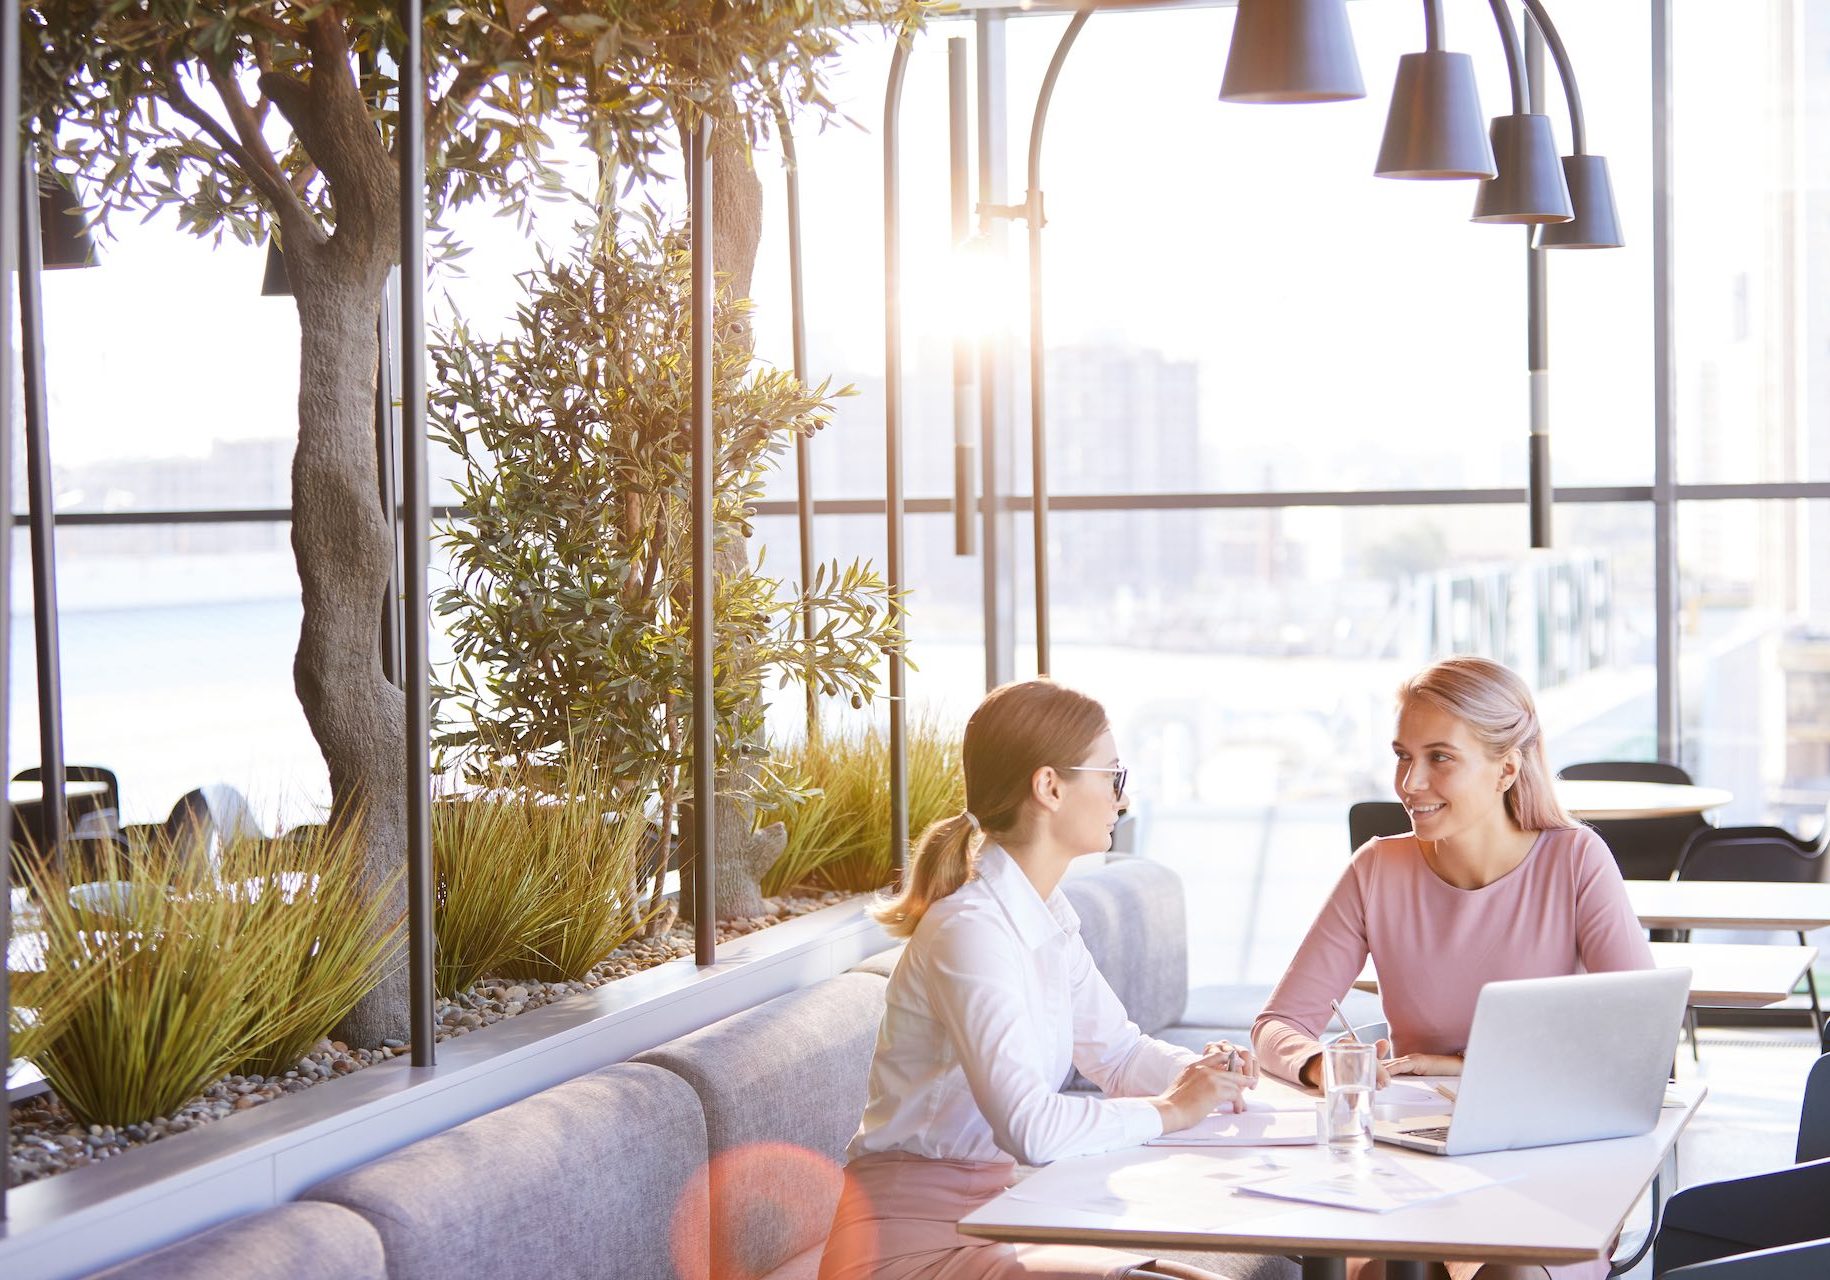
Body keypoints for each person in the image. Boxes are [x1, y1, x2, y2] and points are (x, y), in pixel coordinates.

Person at [819, 679, 1275, 1280]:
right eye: (1112, 775)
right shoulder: (970, 929)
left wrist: (1202, 1077)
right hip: (903, 1253)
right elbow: (1031, 1127)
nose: (1122, 799)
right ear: (1049, 786)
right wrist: (1172, 1109)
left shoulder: (1045, 916)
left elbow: (1116, 1054)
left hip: (995, 1227)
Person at [1252, 656, 1654, 1280]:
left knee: (1511, 1274)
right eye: (1402, 755)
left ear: (1507, 768)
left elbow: (1634, 1051)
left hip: (1547, 1167)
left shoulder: (1576, 862)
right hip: (1412, 1171)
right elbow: (1277, 1024)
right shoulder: (1377, 870)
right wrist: (1320, 1062)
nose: (1410, 782)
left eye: (1440, 757)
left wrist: (1470, 1068)